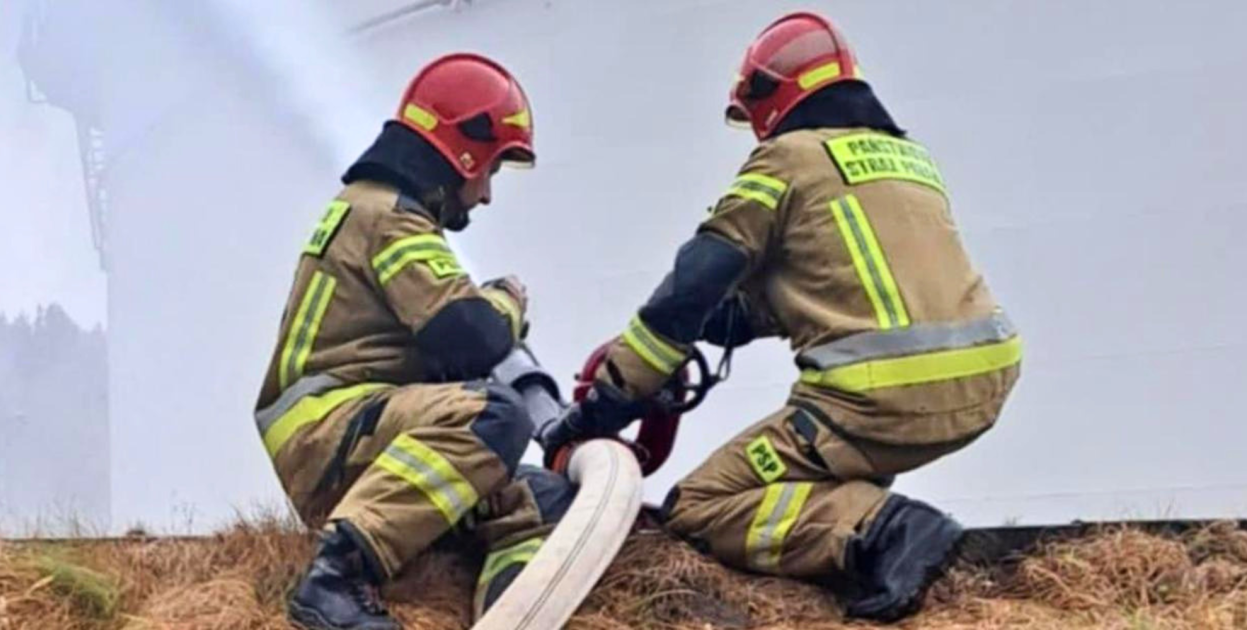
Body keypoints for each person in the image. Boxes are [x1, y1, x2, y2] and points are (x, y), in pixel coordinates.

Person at [538, 12, 1021, 623]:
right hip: (984, 382)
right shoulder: (908, 158)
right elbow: (843, 279)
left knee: (700, 504)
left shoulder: (785, 160)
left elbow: (687, 292)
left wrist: (609, 401)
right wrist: (739, 318)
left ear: (771, 96)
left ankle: (877, 530)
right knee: (834, 454)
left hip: (878, 401)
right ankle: (864, 531)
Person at [254, 53, 572, 630]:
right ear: (466, 151)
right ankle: (335, 578)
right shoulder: (390, 217)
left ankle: (509, 611)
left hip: (360, 436)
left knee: (543, 496)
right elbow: (471, 336)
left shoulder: (375, 211)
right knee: (496, 416)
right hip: (329, 433)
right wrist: (508, 300)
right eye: (491, 172)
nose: (486, 196)